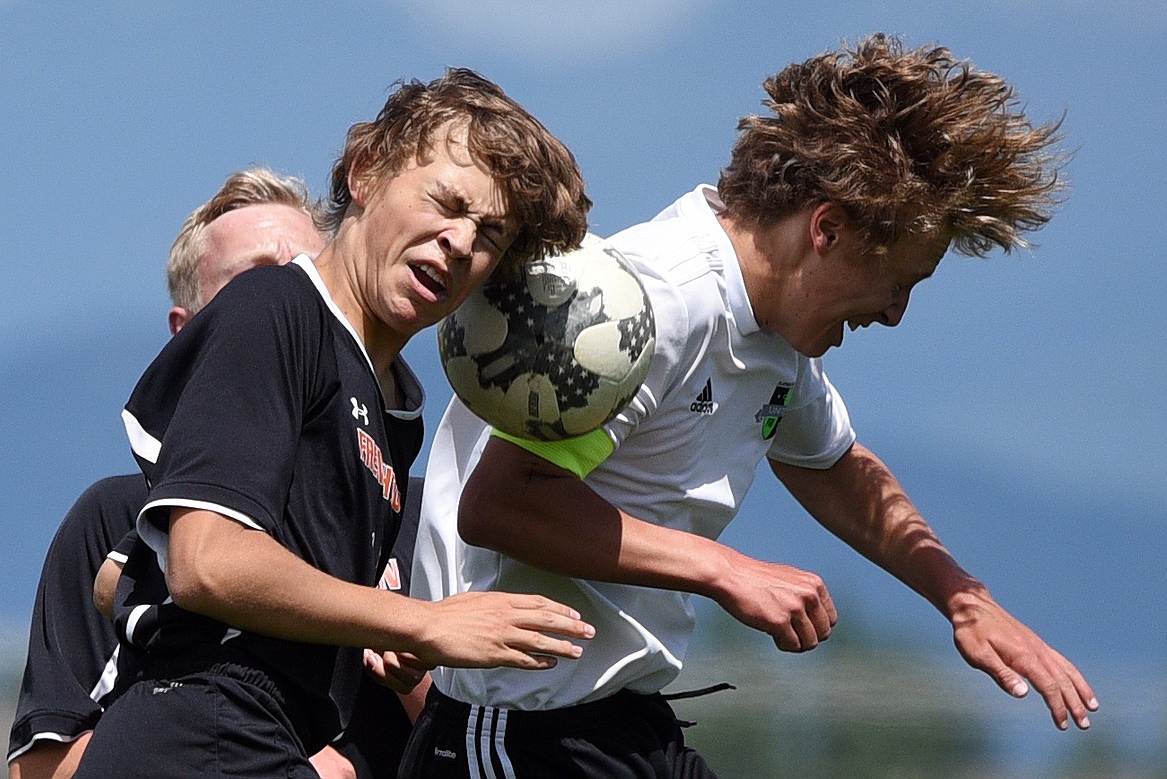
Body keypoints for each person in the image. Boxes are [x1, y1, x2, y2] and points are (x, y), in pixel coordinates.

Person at [404, 35, 1099, 777]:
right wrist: (726, 568)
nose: (895, 313)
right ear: (826, 229)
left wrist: (961, 595)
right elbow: (502, 504)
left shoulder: (776, 331)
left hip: (625, 727)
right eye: (900, 280)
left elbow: (835, 465)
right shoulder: (659, 305)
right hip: (514, 732)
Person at [72, 68, 593, 779]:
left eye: (491, 237)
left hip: (266, 736)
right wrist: (424, 619)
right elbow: (207, 561)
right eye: (445, 201)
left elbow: (127, 576)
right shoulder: (277, 310)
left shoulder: (391, 403)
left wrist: (387, 638)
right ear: (366, 170)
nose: (459, 242)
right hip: (198, 732)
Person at [7, 167, 330, 779]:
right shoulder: (117, 518)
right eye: (256, 290)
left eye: (310, 283)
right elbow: (41, 768)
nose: (289, 311)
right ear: (186, 334)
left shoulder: (389, 509)